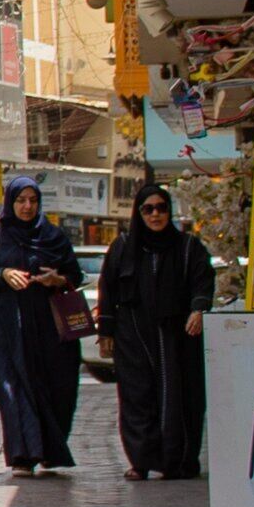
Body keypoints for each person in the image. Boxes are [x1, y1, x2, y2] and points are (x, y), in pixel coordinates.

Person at [0, 181, 85, 474]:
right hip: (6, 325)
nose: (27, 206)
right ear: (11, 202)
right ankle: (22, 455)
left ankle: (48, 451)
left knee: (57, 388)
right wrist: (4, 274)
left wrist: (56, 279)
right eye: (21, 200)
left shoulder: (53, 236)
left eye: (33, 200)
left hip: (49, 327)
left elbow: (74, 274)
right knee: (13, 390)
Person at [100, 186, 210, 480]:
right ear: (139, 213)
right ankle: (141, 461)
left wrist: (198, 309)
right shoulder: (123, 247)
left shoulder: (188, 247)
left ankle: (178, 461)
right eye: (148, 209)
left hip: (177, 338)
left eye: (161, 208)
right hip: (133, 336)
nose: (155, 214)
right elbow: (107, 289)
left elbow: (203, 282)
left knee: (180, 398)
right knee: (137, 398)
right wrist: (106, 331)